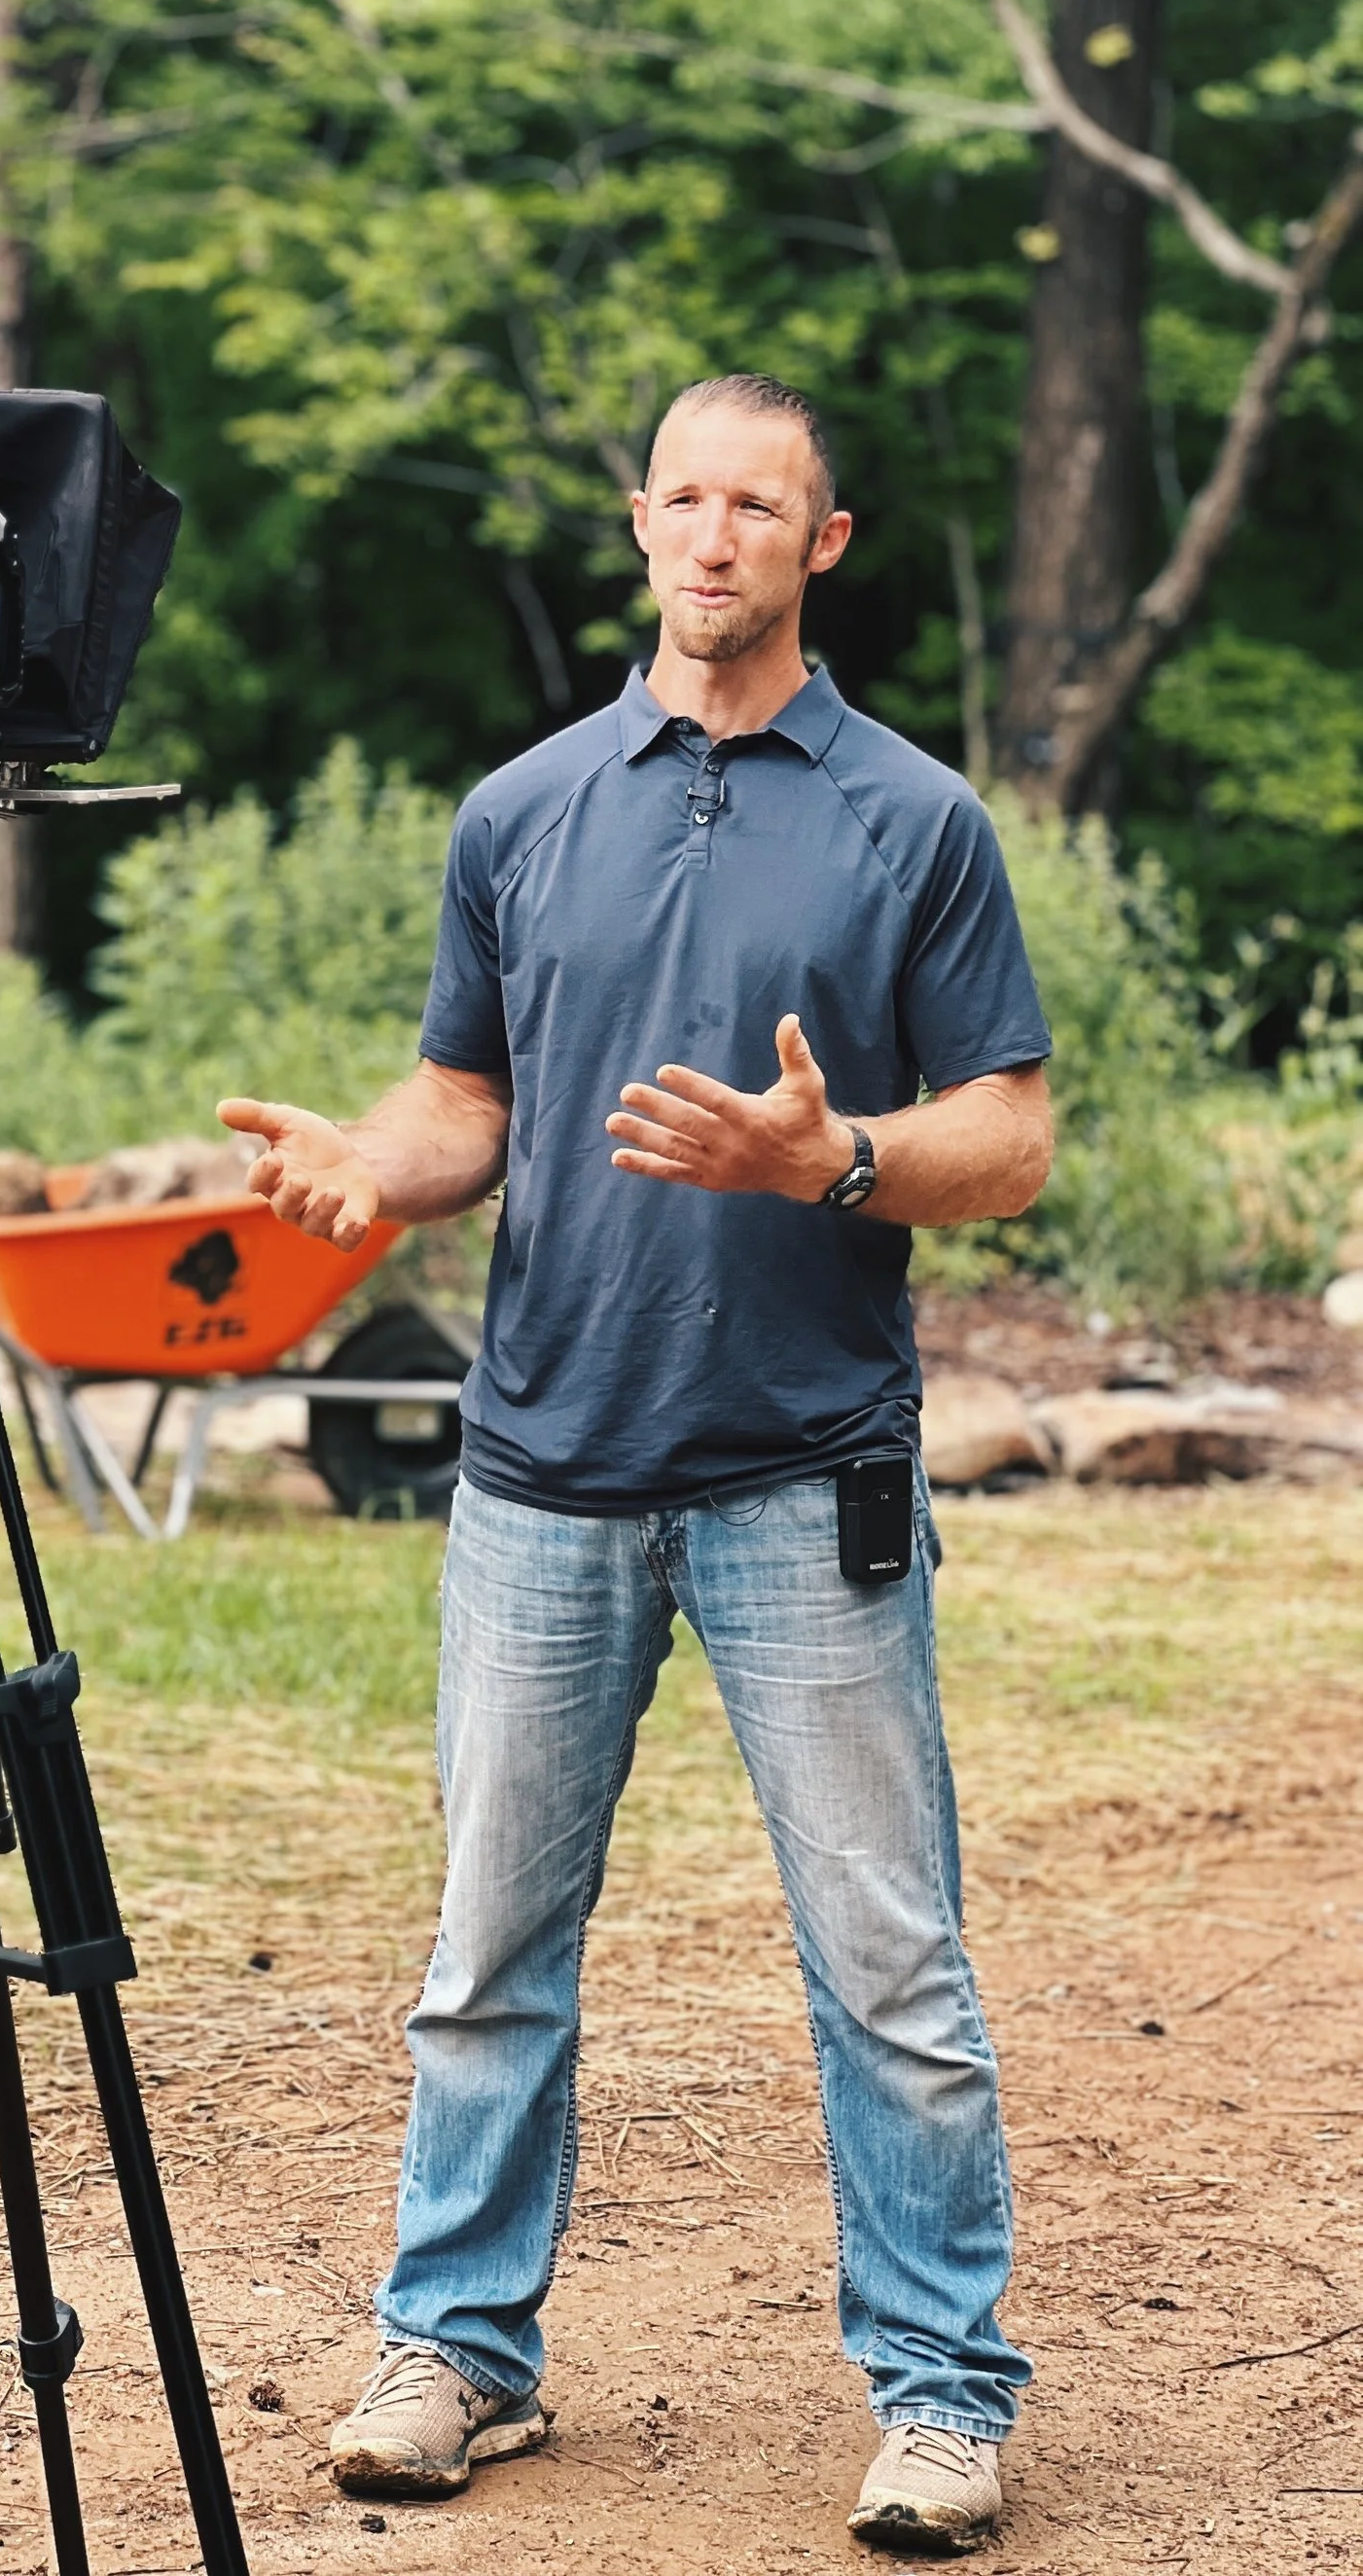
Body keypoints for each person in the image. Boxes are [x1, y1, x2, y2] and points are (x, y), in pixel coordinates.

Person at [221, 373, 1053, 2560]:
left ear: (820, 542)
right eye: (682, 495)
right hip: (538, 1475)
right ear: (636, 523)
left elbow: (1009, 1136)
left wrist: (835, 1154)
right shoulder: (519, 811)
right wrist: (369, 1173)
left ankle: (942, 2390)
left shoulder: (909, 820)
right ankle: (456, 2348)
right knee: (487, 1947)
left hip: (803, 1474)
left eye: (755, 504)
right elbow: (463, 1099)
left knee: (888, 1961)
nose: (712, 534)